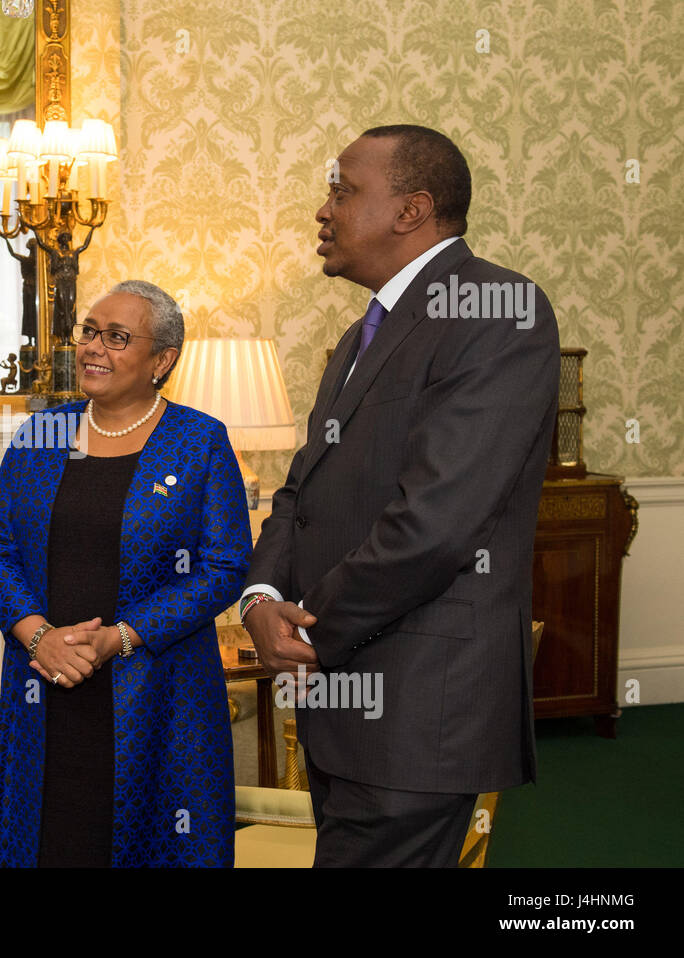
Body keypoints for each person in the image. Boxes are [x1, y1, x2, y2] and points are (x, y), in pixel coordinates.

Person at [240, 125, 559, 867]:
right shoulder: (362, 335)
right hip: (344, 708)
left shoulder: (497, 309)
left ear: (412, 210)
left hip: (417, 712)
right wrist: (259, 599)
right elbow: (301, 493)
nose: (323, 210)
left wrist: (308, 633)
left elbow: (434, 525)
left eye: (343, 191)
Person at [0, 280, 251, 867]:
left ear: (162, 360)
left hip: (158, 692)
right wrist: (38, 637)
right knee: (50, 840)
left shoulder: (200, 442)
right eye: (90, 332)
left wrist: (118, 638)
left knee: (149, 842)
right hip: (46, 684)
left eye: (117, 338)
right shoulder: (42, 430)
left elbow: (223, 567)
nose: (93, 349)